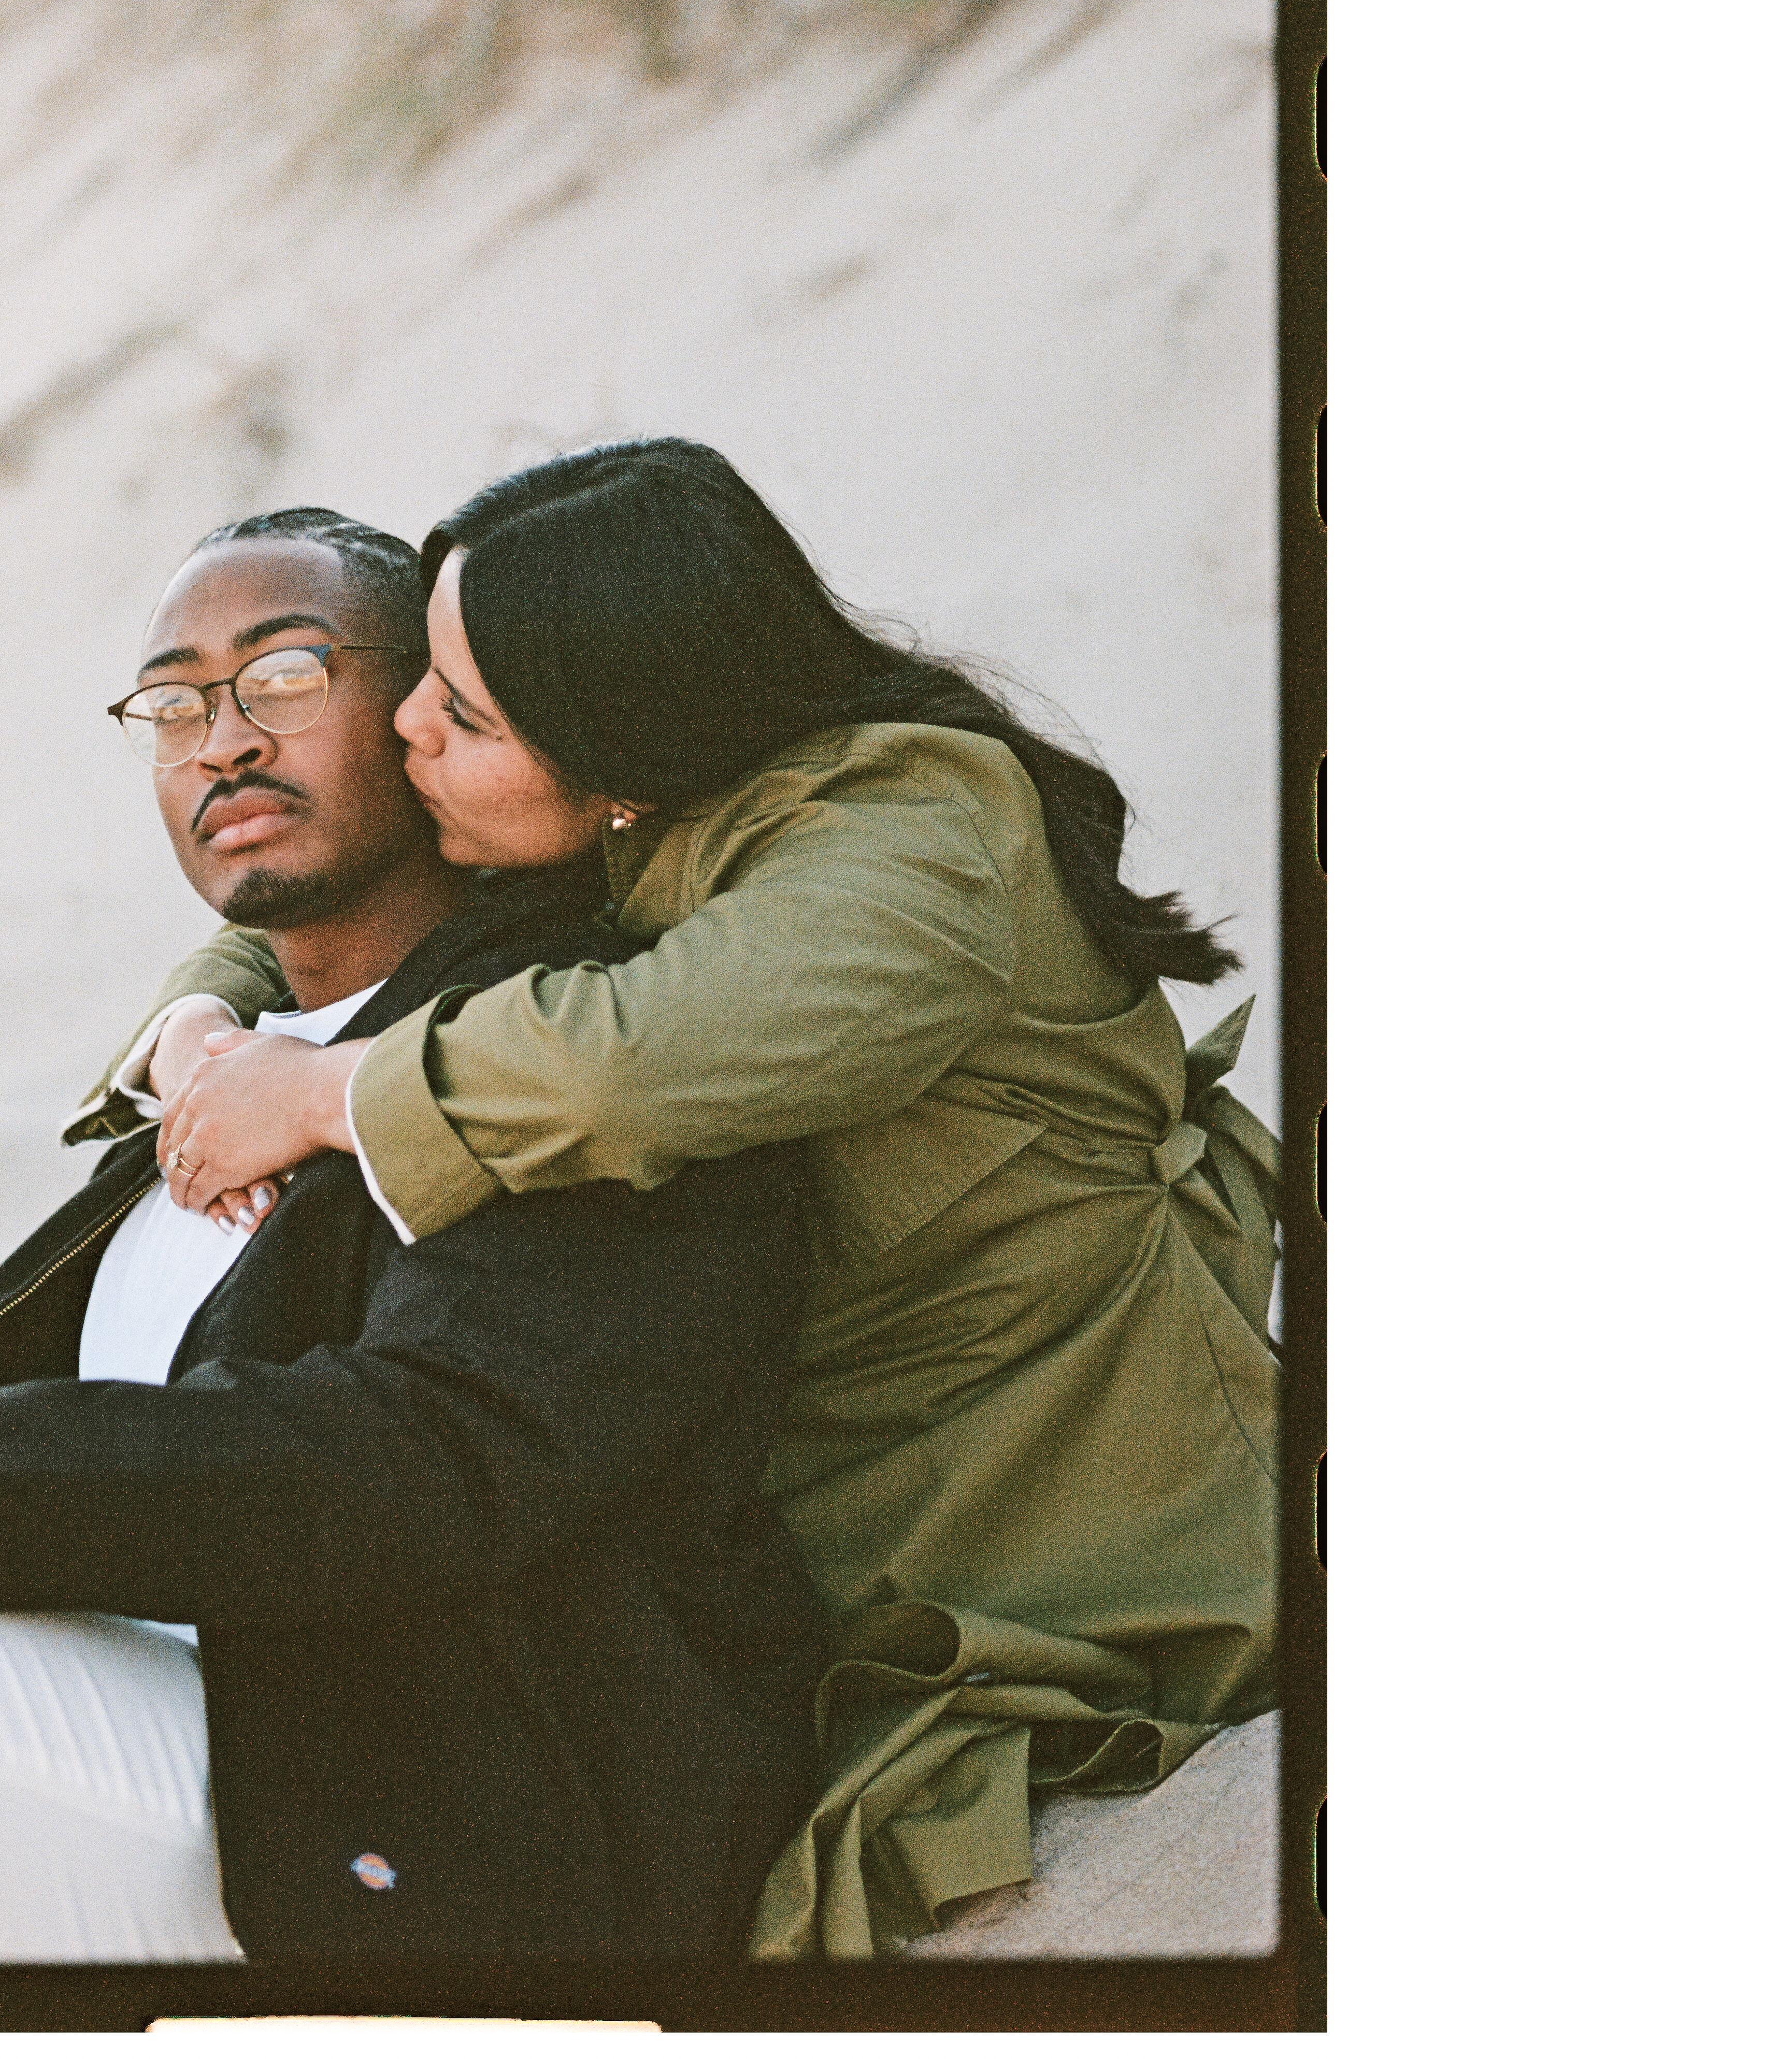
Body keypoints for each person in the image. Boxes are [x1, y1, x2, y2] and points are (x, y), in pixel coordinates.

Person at [0, 507, 825, 1965]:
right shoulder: (223, 1075)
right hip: (104, 1737)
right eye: (174, 705)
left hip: (380, 1817)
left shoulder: (558, 1052)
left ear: (426, 713)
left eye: (283, 676)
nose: (224, 742)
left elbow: (420, 1454)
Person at [140, 441, 1282, 1960]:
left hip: (1073, 1515)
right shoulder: (628, 817)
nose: (409, 730)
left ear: (615, 736)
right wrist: (200, 1016)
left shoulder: (913, 831)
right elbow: (340, 884)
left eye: (459, 711)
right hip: (817, 1543)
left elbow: (642, 1056)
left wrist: (322, 1092)